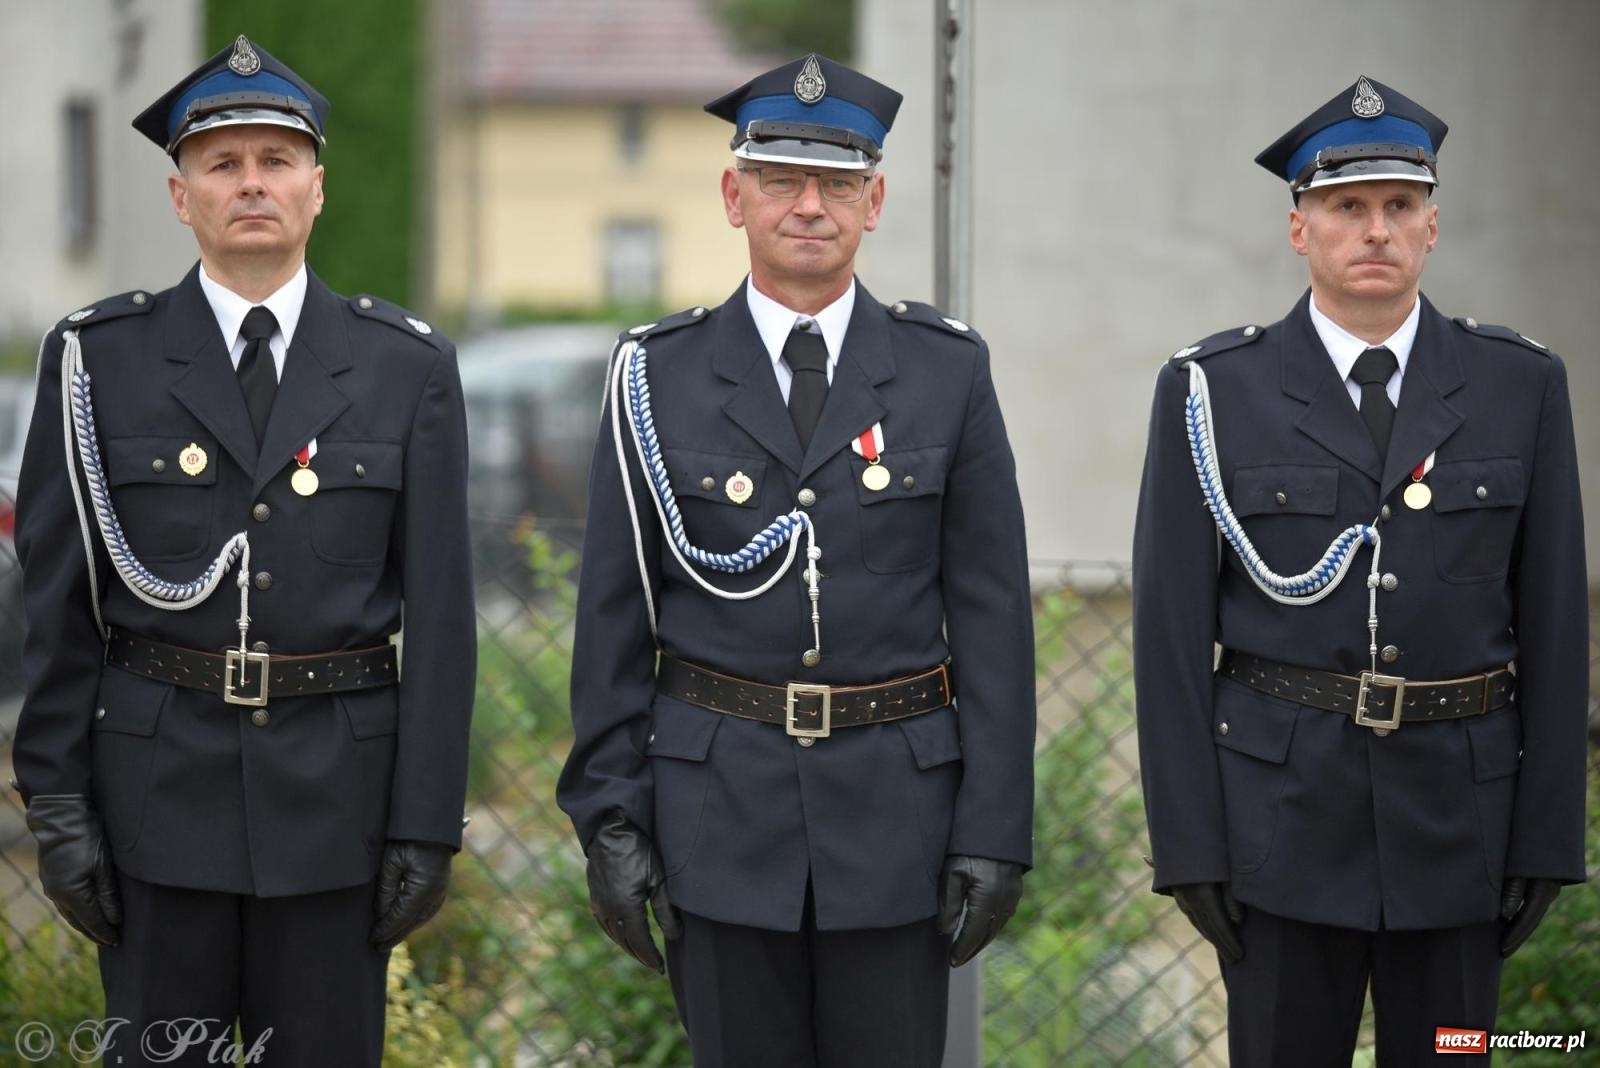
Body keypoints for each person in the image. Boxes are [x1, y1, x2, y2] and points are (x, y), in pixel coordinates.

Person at [557, 53, 1036, 1066]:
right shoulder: (657, 375)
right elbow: (613, 615)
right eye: (781, 178)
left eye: (838, 183)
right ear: (735, 196)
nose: (809, 205)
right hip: (716, 819)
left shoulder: (945, 372)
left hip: (896, 825)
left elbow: (992, 619)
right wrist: (607, 816)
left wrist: (993, 828)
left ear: (875, 201)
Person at [11, 36, 475, 1066]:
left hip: (337, 819)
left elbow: (443, 622)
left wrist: (426, 824)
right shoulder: (99, 360)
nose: (251, 183)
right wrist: (55, 801)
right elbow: (58, 603)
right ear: (183, 198)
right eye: (223, 164)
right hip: (152, 812)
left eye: (276, 161)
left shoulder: (406, 369)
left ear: (317, 188)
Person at [1133, 75, 1588, 1066]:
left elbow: (1555, 626)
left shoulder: (1520, 387)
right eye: (1346, 207)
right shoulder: (1213, 390)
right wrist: (1190, 848)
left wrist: (1548, 841)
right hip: (1278, 829)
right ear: (1300, 228)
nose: (1374, 229)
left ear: (1432, 226)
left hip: (1460, 828)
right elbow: (1167, 642)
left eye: (1398, 206)